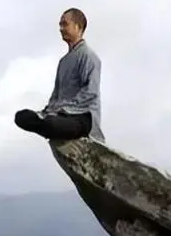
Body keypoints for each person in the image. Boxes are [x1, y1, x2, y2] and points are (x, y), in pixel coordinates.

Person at [14, 8, 105, 142]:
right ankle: (49, 126)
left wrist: (63, 110)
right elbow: (56, 95)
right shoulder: (63, 62)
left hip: (81, 117)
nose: (61, 28)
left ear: (78, 26)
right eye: (60, 25)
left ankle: (51, 127)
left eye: (64, 24)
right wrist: (47, 111)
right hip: (59, 116)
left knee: (52, 123)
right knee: (21, 117)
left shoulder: (88, 56)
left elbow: (90, 93)